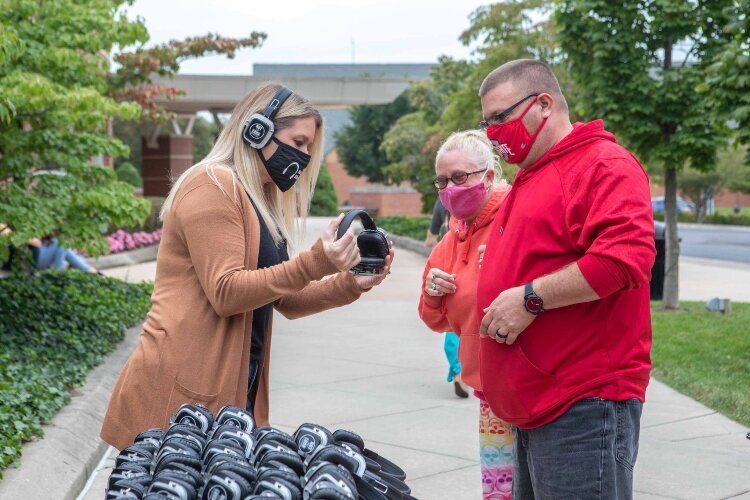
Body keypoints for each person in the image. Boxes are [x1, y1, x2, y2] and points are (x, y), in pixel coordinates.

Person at [100, 84, 394, 450]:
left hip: (232, 386)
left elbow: (285, 298)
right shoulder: (212, 185)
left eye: (307, 147)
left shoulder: (262, 199)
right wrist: (315, 261)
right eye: (298, 142)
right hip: (180, 393)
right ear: (257, 130)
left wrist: (351, 283)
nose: (302, 157)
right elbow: (226, 291)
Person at [476, 59, 656, 499]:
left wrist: (529, 298)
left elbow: (625, 258)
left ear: (543, 104)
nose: (493, 132)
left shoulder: (602, 163)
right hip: (536, 403)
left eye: (501, 117)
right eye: (487, 122)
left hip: (582, 405)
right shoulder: (535, 174)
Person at [418, 130, 513, 500]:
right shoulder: (455, 233)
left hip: (532, 386)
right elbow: (436, 320)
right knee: (499, 492)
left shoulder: (515, 216)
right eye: (442, 180)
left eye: (460, 177)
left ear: (488, 176)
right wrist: (432, 292)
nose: (450, 188)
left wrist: (505, 271)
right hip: (489, 389)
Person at [424, 198, 469, 399]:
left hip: (449, 264)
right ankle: (466, 369)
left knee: (452, 323)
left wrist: (431, 238)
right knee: (469, 322)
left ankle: (458, 370)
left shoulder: (445, 195)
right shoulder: (481, 194)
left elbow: (435, 221)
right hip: (472, 265)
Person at [28, 236, 99, 273]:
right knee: (62, 242)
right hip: (34, 260)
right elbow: (37, 243)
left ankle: (85, 268)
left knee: (63, 244)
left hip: (41, 256)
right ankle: (59, 272)